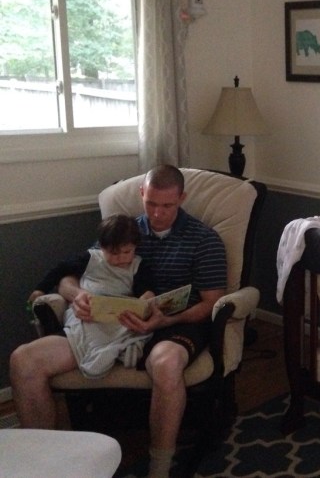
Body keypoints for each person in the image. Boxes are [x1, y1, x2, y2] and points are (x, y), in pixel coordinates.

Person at [10, 165, 227, 478]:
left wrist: (162, 321)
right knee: (24, 360)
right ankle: (46, 461)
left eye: (167, 206)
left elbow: (210, 303)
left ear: (182, 198)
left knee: (166, 364)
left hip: (176, 322)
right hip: (110, 323)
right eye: (150, 203)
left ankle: (159, 467)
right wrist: (78, 295)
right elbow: (77, 270)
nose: (157, 213)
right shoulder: (125, 230)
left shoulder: (204, 240)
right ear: (141, 194)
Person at [31, 213, 156, 378]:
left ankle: (120, 347)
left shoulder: (138, 265)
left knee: (129, 329)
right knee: (86, 328)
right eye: (113, 253)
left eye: (127, 252)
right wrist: (40, 289)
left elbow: (146, 289)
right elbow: (60, 269)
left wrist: (145, 300)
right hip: (87, 313)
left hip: (117, 318)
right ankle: (100, 352)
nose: (120, 258)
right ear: (102, 247)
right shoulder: (90, 258)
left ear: (135, 246)